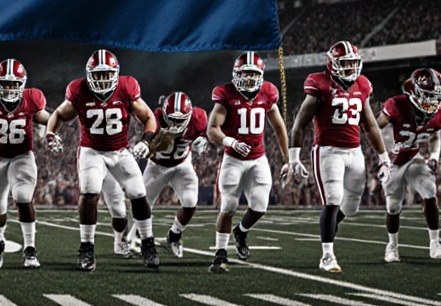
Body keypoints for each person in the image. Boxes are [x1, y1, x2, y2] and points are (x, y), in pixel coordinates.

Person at [46, 49, 160, 272]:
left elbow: (148, 117)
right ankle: (86, 247)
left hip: (119, 150)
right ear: (89, 75)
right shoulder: (79, 90)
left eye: (107, 74)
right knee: (89, 191)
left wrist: (146, 142)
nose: (102, 79)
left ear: (116, 74)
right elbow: (59, 115)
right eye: (97, 75)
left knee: (138, 192)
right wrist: (52, 134)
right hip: (92, 151)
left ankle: (148, 243)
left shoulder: (126, 88)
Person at [290, 41, 391, 274]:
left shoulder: (362, 85)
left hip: (355, 151)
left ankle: (329, 227)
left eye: (353, 64)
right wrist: (294, 158)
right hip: (328, 151)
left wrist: (383, 158)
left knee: (352, 205)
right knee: (333, 198)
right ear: (332, 65)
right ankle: (327, 255)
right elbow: (300, 124)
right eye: (344, 65)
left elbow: (370, 125)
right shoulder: (320, 84)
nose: (350, 70)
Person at [205, 52, 293, 272]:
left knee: (260, 206)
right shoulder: (225, 94)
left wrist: (287, 160)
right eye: (246, 73)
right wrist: (231, 142)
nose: (250, 78)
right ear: (237, 73)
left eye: (254, 74)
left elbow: (279, 127)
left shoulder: (268, 93)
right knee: (228, 206)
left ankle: (241, 231)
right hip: (233, 159)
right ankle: (220, 253)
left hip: (257, 158)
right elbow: (212, 129)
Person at [0, 58, 54, 269]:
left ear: (22, 84)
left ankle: (30, 248)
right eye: (6, 83)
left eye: (14, 84)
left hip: (22, 156)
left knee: (23, 197)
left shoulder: (32, 99)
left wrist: (50, 134)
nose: (10, 88)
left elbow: (51, 118)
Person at [379, 68, 441, 262]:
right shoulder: (396, 106)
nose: (433, 102)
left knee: (430, 191)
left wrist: (434, 156)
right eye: (429, 96)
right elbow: (374, 129)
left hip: (413, 156)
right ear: (416, 93)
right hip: (392, 162)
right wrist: (382, 157)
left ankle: (435, 245)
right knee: (393, 206)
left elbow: (436, 135)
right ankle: (392, 247)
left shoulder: (439, 114)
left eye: (437, 97)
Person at [143, 92, 209, 260]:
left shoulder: (199, 118)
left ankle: (174, 235)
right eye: (171, 118)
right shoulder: (155, 118)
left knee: (190, 202)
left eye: (180, 120)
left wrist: (203, 140)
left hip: (182, 165)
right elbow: (151, 145)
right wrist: (154, 142)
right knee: (142, 204)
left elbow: (205, 134)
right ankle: (144, 240)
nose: (175, 123)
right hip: (157, 165)